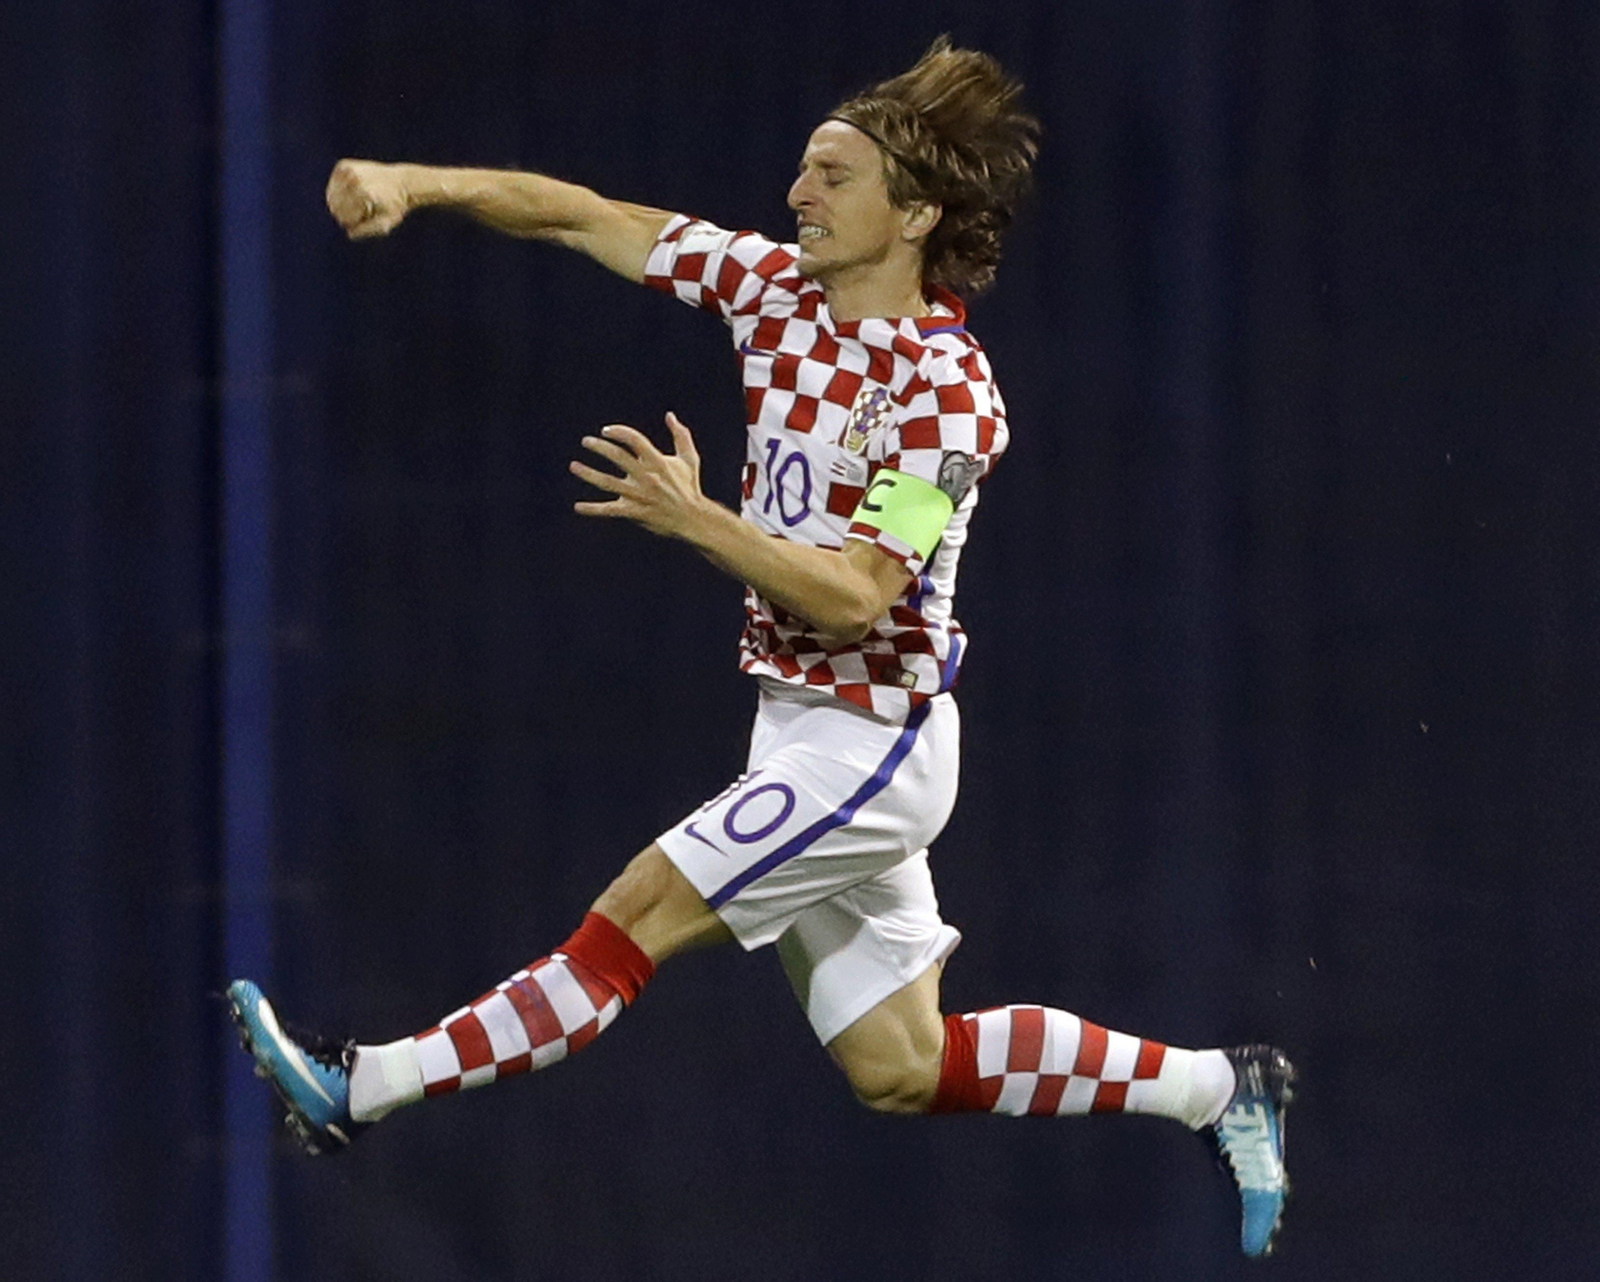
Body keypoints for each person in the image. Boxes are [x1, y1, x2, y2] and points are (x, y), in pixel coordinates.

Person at [227, 37, 1295, 1258]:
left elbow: (855, 598)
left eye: (831, 176)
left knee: (627, 922)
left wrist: (696, 519)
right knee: (902, 1065)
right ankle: (1220, 1090)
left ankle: (358, 1087)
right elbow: (580, 216)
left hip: (871, 752)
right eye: (802, 171)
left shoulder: (949, 396)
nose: (798, 196)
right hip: (793, 722)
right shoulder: (769, 288)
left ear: (914, 214)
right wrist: (413, 179)